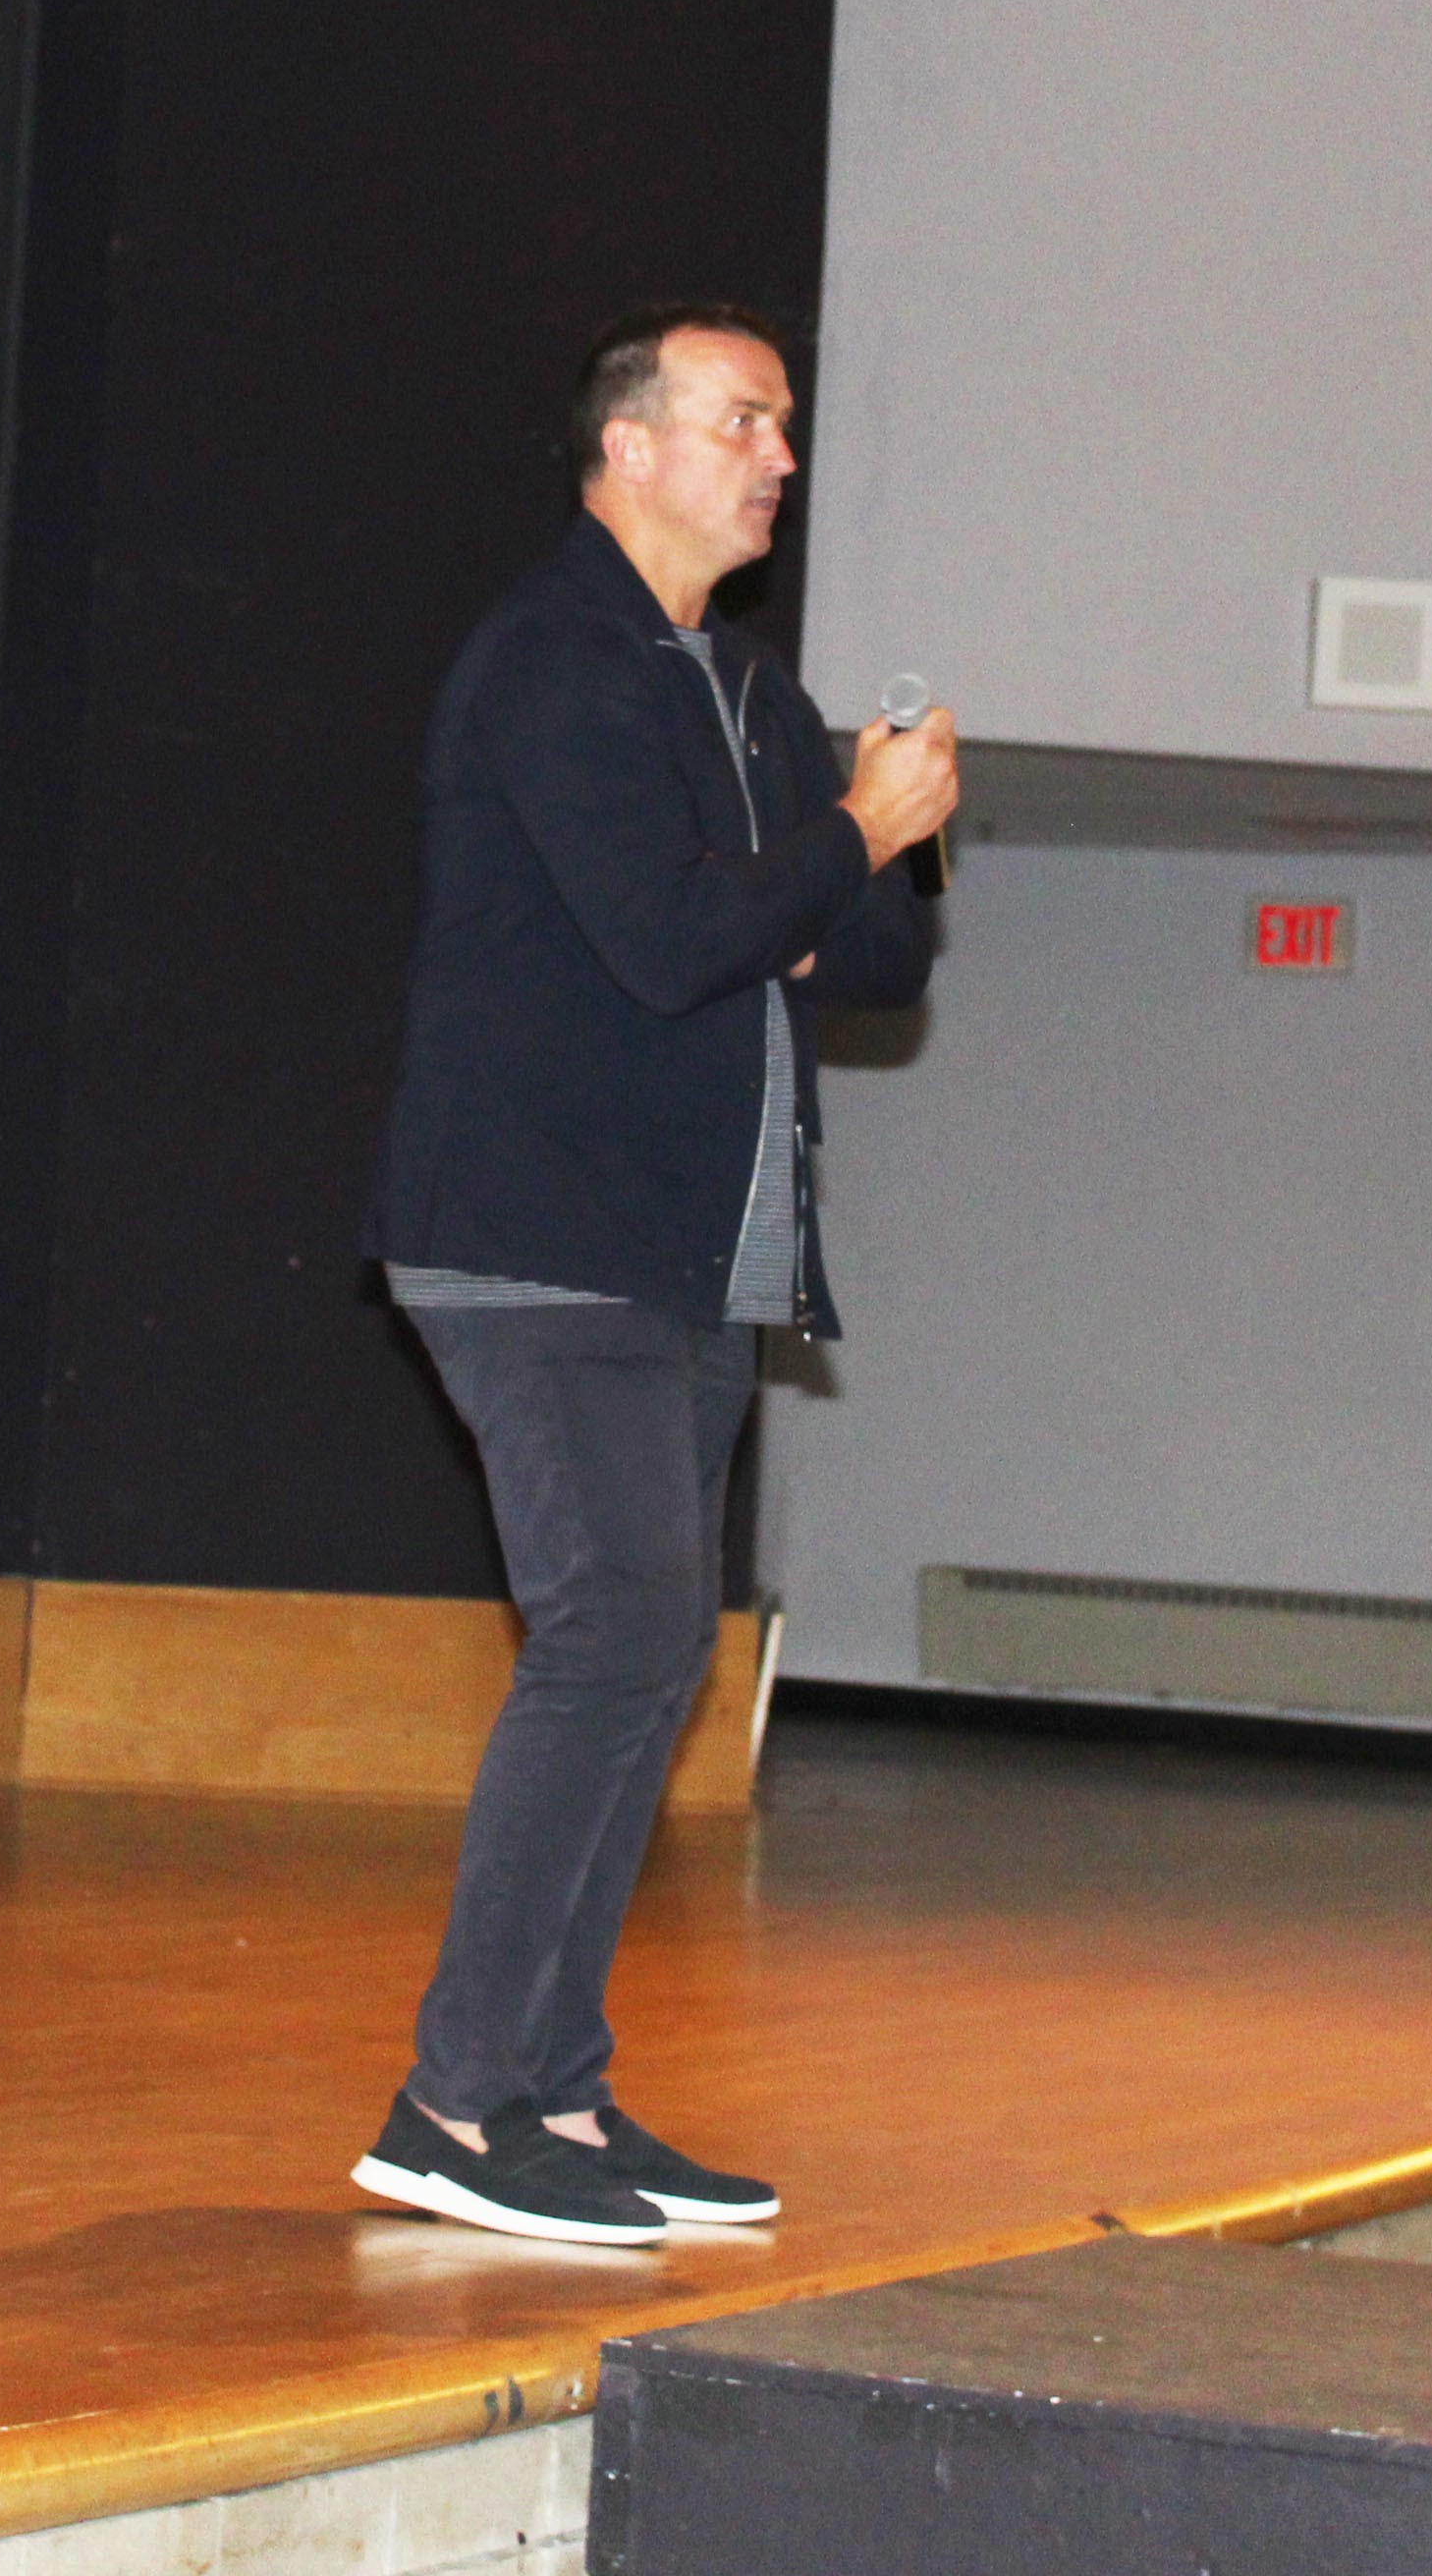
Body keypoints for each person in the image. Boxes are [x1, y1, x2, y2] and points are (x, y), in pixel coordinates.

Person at [350, 304, 953, 2248]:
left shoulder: (746, 692)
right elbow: (672, 937)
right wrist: (845, 842)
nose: (781, 456)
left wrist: (862, 867)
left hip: (688, 1250)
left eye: (784, 427)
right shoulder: (556, 664)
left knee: (646, 1656)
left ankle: (555, 2094)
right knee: (616, 1638)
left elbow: (864, 969)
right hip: (535, 1238)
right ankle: (454, 2102)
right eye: (746, 421)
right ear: (630, 445)